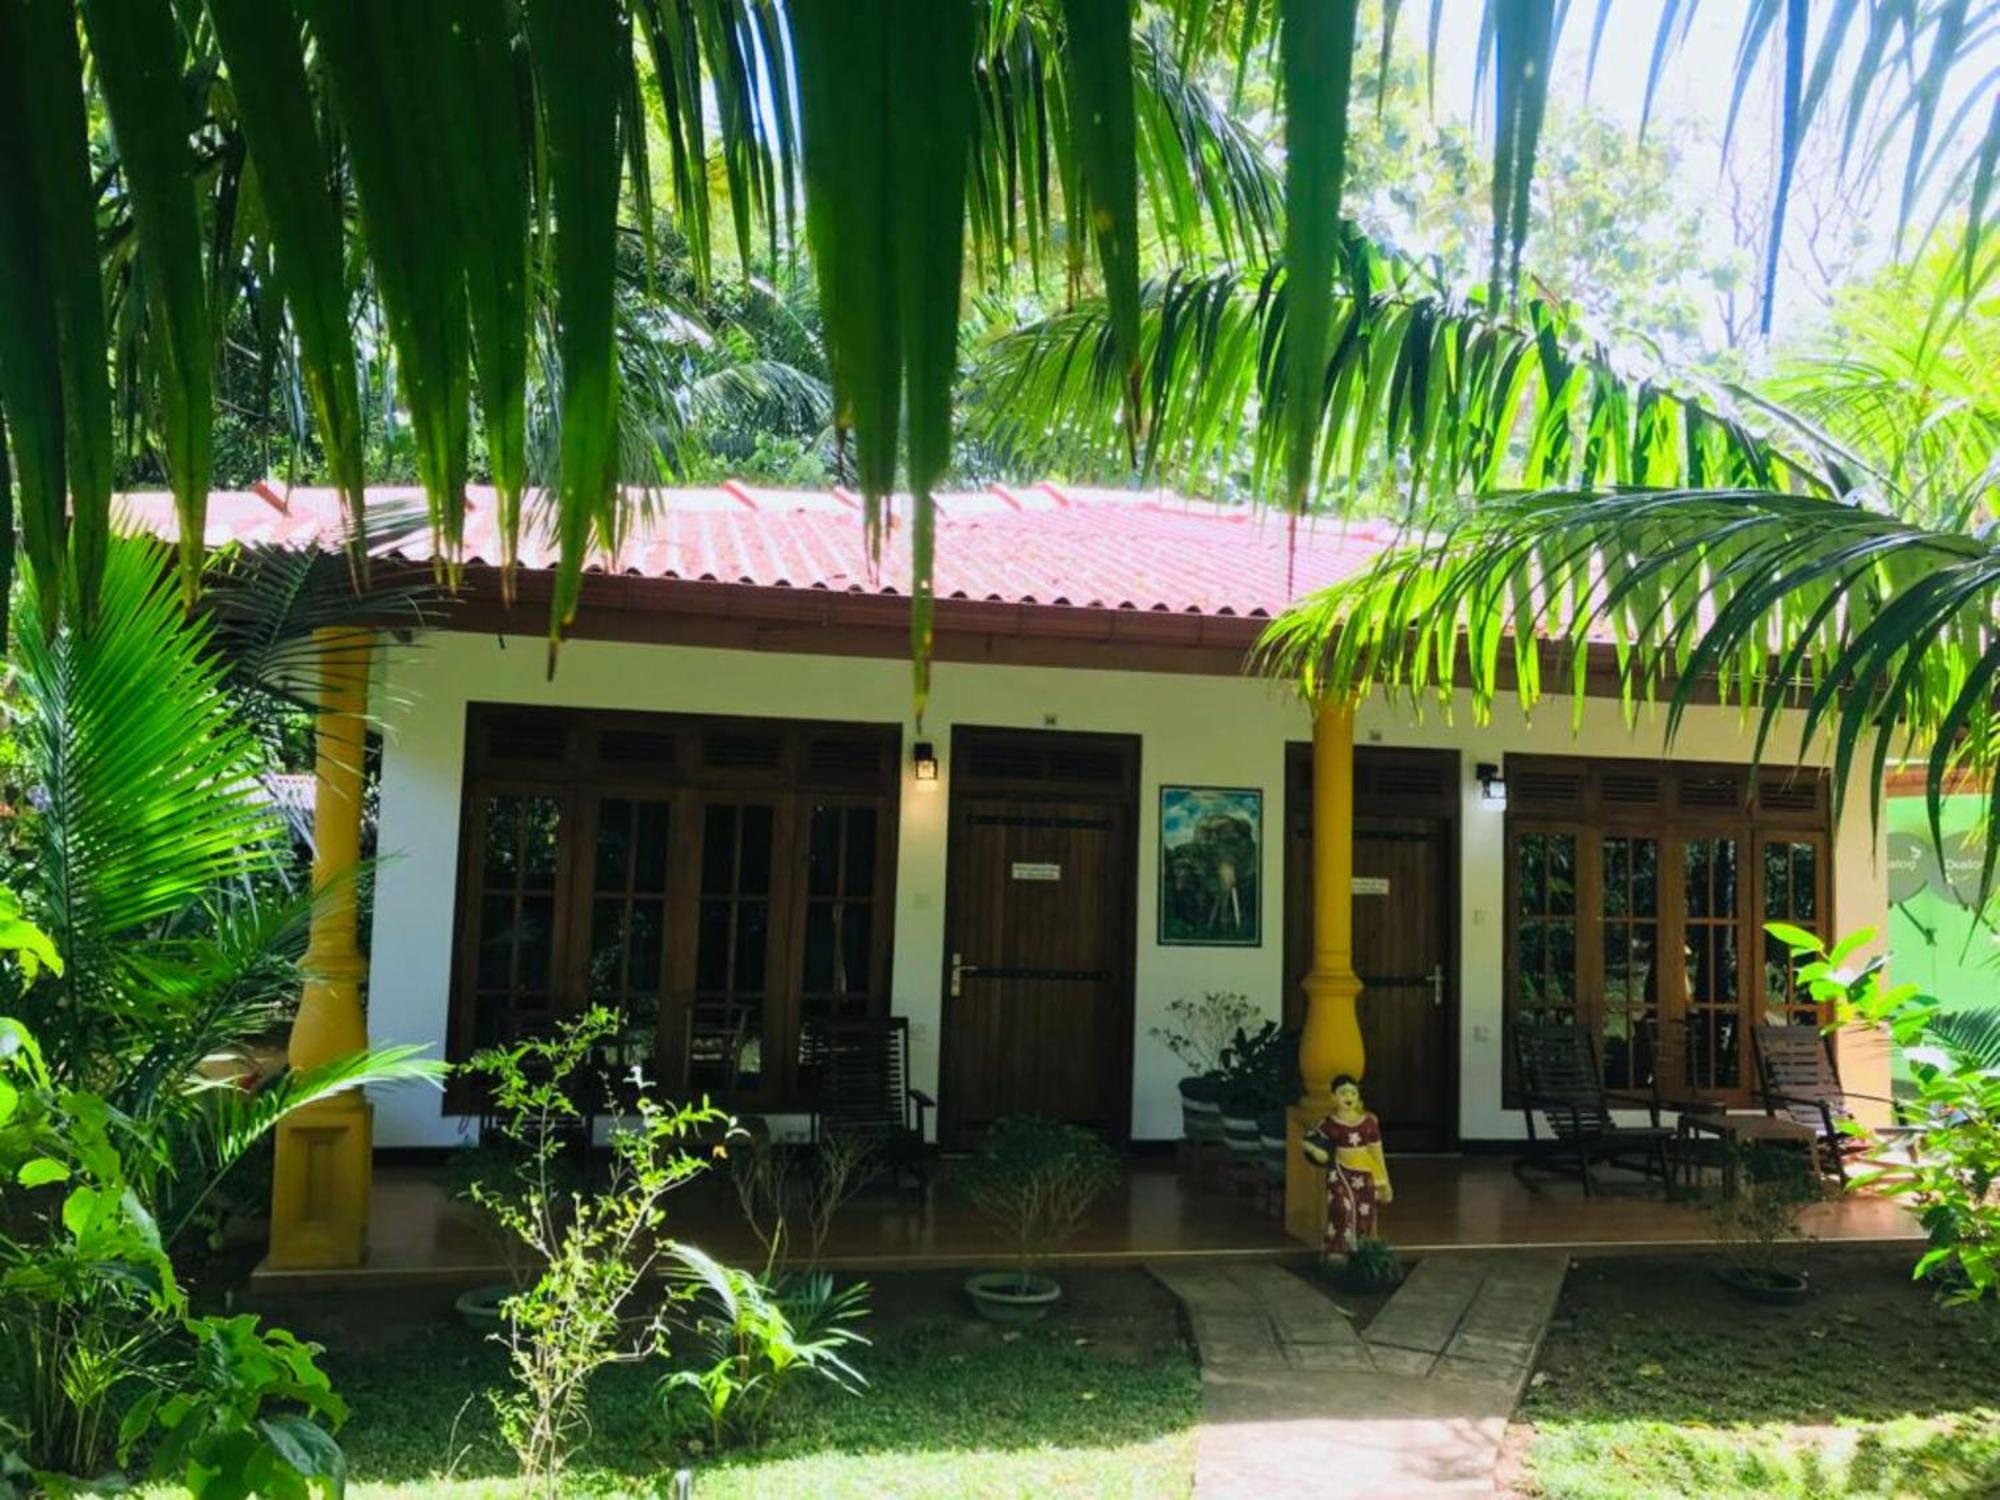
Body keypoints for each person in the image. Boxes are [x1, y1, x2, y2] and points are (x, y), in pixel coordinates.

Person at [1301, 1074, 1392, 1255]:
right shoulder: (1328, 1124)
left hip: (1365, 1175)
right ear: (1333, 1097)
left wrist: (1384, 1182)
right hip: (1340, 1173)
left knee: (1364, 1214)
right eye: (1343, 1093)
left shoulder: (1368, 1124)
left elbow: (1377, 1154)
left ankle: (1362, 1253)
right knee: (1341, 1209)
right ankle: (1337, 1250)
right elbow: (1309, 1142)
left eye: (1352, 1092)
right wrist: (1314, 1150)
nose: (1348, 1097)